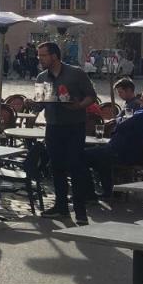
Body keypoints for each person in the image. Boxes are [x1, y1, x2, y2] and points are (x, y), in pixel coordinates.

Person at [32, 40, 97, 224]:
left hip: (74, 126)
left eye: (43, 55)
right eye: (39, 56)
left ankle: (80, 211)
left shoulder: (75, 73)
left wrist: (78, 106)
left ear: (54, 56)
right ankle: (61, 207)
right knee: (56, 167)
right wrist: (34, 104)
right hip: (53, 126)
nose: (40, 59)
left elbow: (91, 96)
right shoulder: (41, 77)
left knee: (76, 168)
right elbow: (40, 104)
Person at [84, 85, 143, 203]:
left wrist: (121, 119)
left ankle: (88, 194)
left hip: (125, 153)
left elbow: (120, 126)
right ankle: (109, 190)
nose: (141, 98)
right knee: (99, 158)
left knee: (81, 156)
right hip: (133, 152)